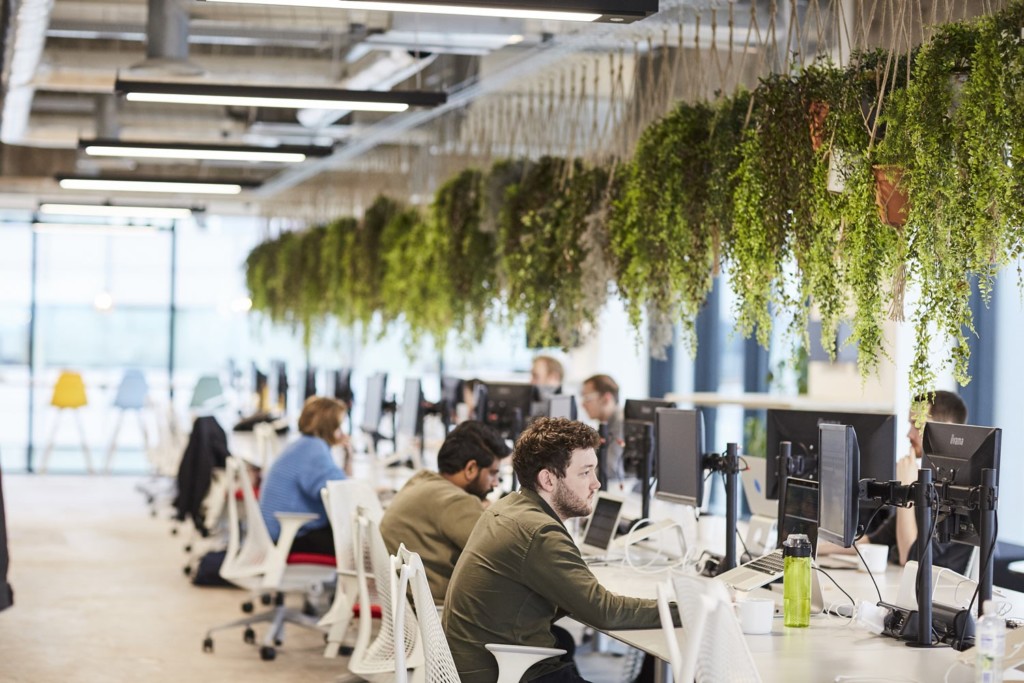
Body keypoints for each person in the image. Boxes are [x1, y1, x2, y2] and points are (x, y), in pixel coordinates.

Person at [443, 417, 677, 683]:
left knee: (564, 642)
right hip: (503, 672)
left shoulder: (508, 507)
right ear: (548, 479)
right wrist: (685, 610)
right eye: (585, 472)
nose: (596, 483)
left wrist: (584, 593)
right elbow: (604, 613)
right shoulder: (540, 532)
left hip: (472, 664)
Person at [380, 421, 510, 601]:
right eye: (493, 473)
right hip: (433, 616)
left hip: (403, 605)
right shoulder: (456, 502)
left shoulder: (422, 480)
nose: (495, 483)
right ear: (471, 468)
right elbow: (505, 555)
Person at [865, 390, 972, 573]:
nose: (909, 434)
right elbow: (874, 541)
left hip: (942, 597)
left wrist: (906, 490)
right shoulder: (931, 481)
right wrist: (812, 545)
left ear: (945, 429)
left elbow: (911, 559)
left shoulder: (958, 493)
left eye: (917, 425)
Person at [258, 396, 349, 555]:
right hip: (286, 536)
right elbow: (342, 494)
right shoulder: (314, 450)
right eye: (339, 426)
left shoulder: (303, 444)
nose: (342, 432)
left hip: (276, 532)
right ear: (329, 426)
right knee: (356, 543)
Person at [580, 374, 623, 485]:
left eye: (587, 398)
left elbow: (609, 468)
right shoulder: (605, 425)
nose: (583, 404)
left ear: (606, 398)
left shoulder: (621, 423)